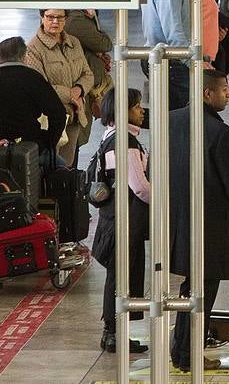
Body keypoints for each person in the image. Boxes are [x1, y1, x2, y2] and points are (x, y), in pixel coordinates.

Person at [171, 71, 229, 372]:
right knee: (202, 293)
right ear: (207, 94)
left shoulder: (172, 120)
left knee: (188, 291)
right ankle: (191, 353)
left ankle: (181, 351)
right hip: (210, 225)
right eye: (223, 90)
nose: (228, 95)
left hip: (178, 221)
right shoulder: (220, 133)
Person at [93, 87, 149, 355]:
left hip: (114, 218)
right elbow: (139, 186)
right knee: (122, 278)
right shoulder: (123, 141)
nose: (141, 110)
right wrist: (163, 203)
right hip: (124, 220)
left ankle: (112, 333)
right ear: (122, 110)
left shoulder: (111, 136)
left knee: (118, 277)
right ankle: (115, 334)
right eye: (136, 105)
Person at [25, 9, 94, 166]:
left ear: (66, 19)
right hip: (51, 122)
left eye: (59, 17)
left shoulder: (74, 43)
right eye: (50, 17)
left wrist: (79, 90)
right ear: (42, 18)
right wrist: (70, 95)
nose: (55, 21)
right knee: (53, 169)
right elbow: (40, 87)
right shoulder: (33, 49)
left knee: (69, 169)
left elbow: (88, 74)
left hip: (75, 116)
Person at [0, 37, 66, 159]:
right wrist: (48, 142)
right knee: (61, 165)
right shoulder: (33, 78)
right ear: (24, 56)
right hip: (29, 147)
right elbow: (58, 113)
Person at [143, 0, 192, 109]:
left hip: (162, 58)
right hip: (172, 61)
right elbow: (173, 29)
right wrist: (192, 62)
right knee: (182, 117)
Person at [64, 8, 113, 143]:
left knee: (79, 136)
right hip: (79, 88)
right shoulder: (76, 20)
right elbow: (105, 43)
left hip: (85, 87)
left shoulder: (79, 17)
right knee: (75, 138)